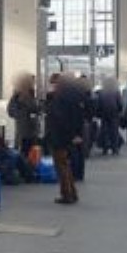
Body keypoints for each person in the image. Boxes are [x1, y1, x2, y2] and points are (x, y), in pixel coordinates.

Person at [45, 73, 85, 204]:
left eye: (52, 83)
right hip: (67, 136)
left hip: (59, 136)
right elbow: (78, 117)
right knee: (66, 165)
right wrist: (76, 134)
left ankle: (66, 194)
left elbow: (58, 119)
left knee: (61, 166)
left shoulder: (59, 99)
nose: (51, 86)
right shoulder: (72, 96)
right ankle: (72, 192)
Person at [6, 73, 40, 158]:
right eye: (32, 81)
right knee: (24, 152)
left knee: (33, 152)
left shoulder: (31, 94)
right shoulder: (18, 95)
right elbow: (11, 111)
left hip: (32, 129)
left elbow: (36, 109)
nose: (33, 84)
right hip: (24, 130)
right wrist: (22, 113)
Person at [95, 76, 124, 156]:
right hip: (114, 113)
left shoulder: (101, 92)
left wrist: (98, 113)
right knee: (114, 131)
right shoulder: (116, 92)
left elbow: (99, 104)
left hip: (104, 113)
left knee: (105, 131)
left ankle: (105, 148)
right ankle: (115, 149)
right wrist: (120, 111)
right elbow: (119, 103)